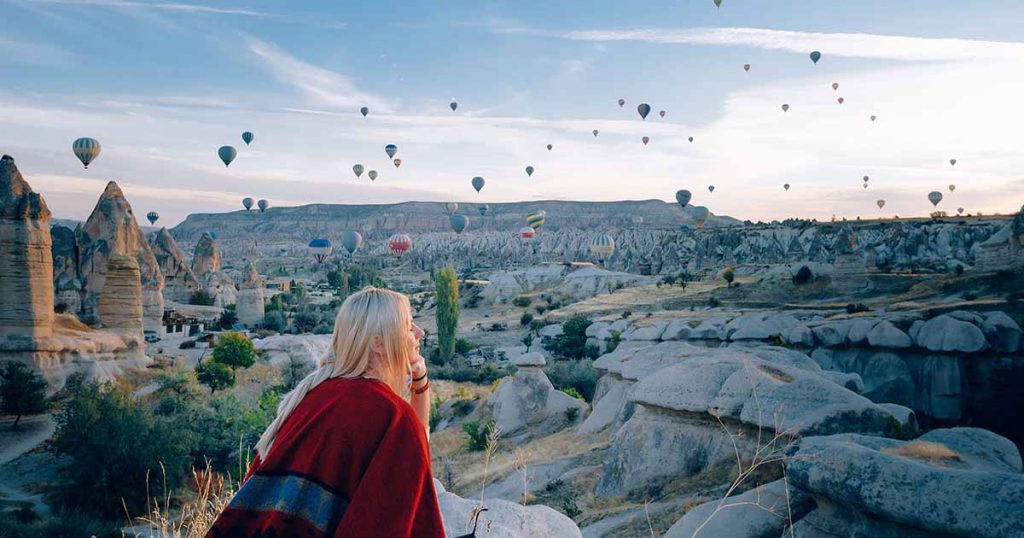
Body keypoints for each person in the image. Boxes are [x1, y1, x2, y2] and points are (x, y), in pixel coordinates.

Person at [209, 287, 445, 537]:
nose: (419, 332)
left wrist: (420, 378)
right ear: (378, 343)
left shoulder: (314, 395)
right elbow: (408, 489)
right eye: (409, 326)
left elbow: (415, 454)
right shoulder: (391, 416)